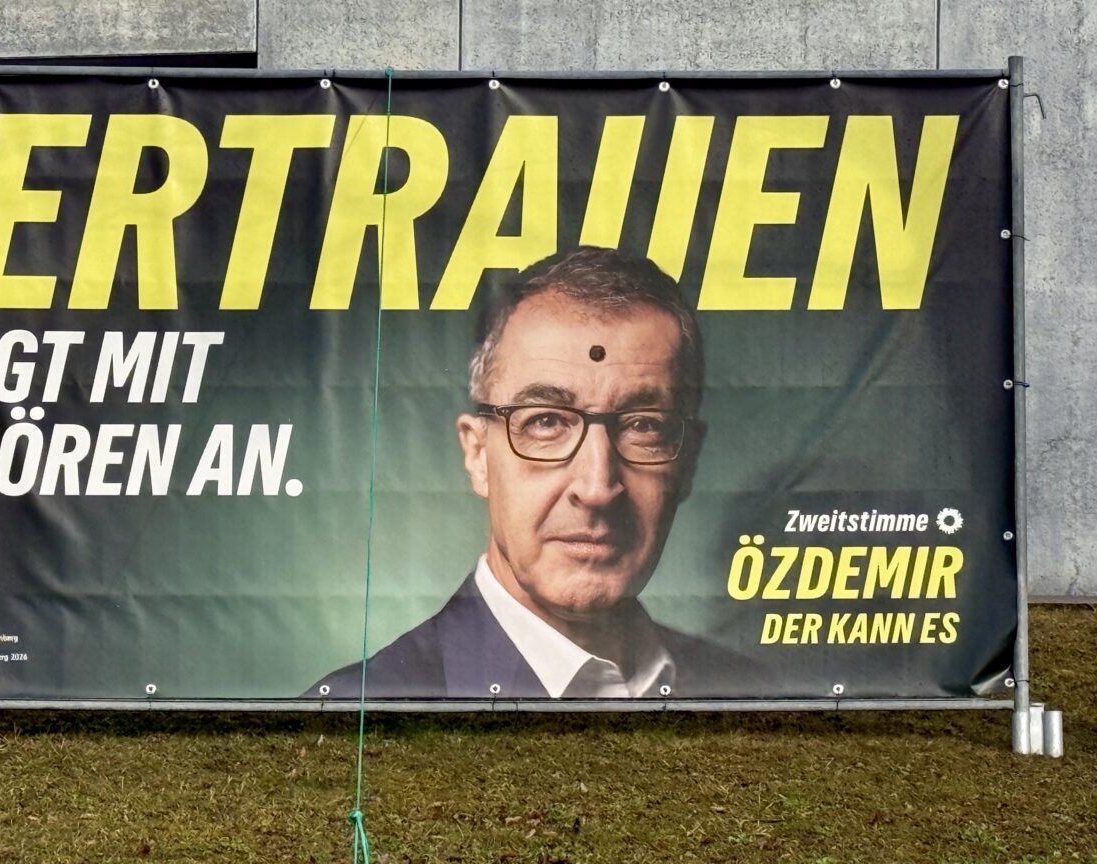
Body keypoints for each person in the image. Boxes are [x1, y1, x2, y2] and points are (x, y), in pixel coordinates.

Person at [308, 246, 766, 699]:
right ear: (478, 455)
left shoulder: (756, 693)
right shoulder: (355, 712)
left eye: (643, 426)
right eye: (546, 422)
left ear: (688, 462)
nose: (597, 488)